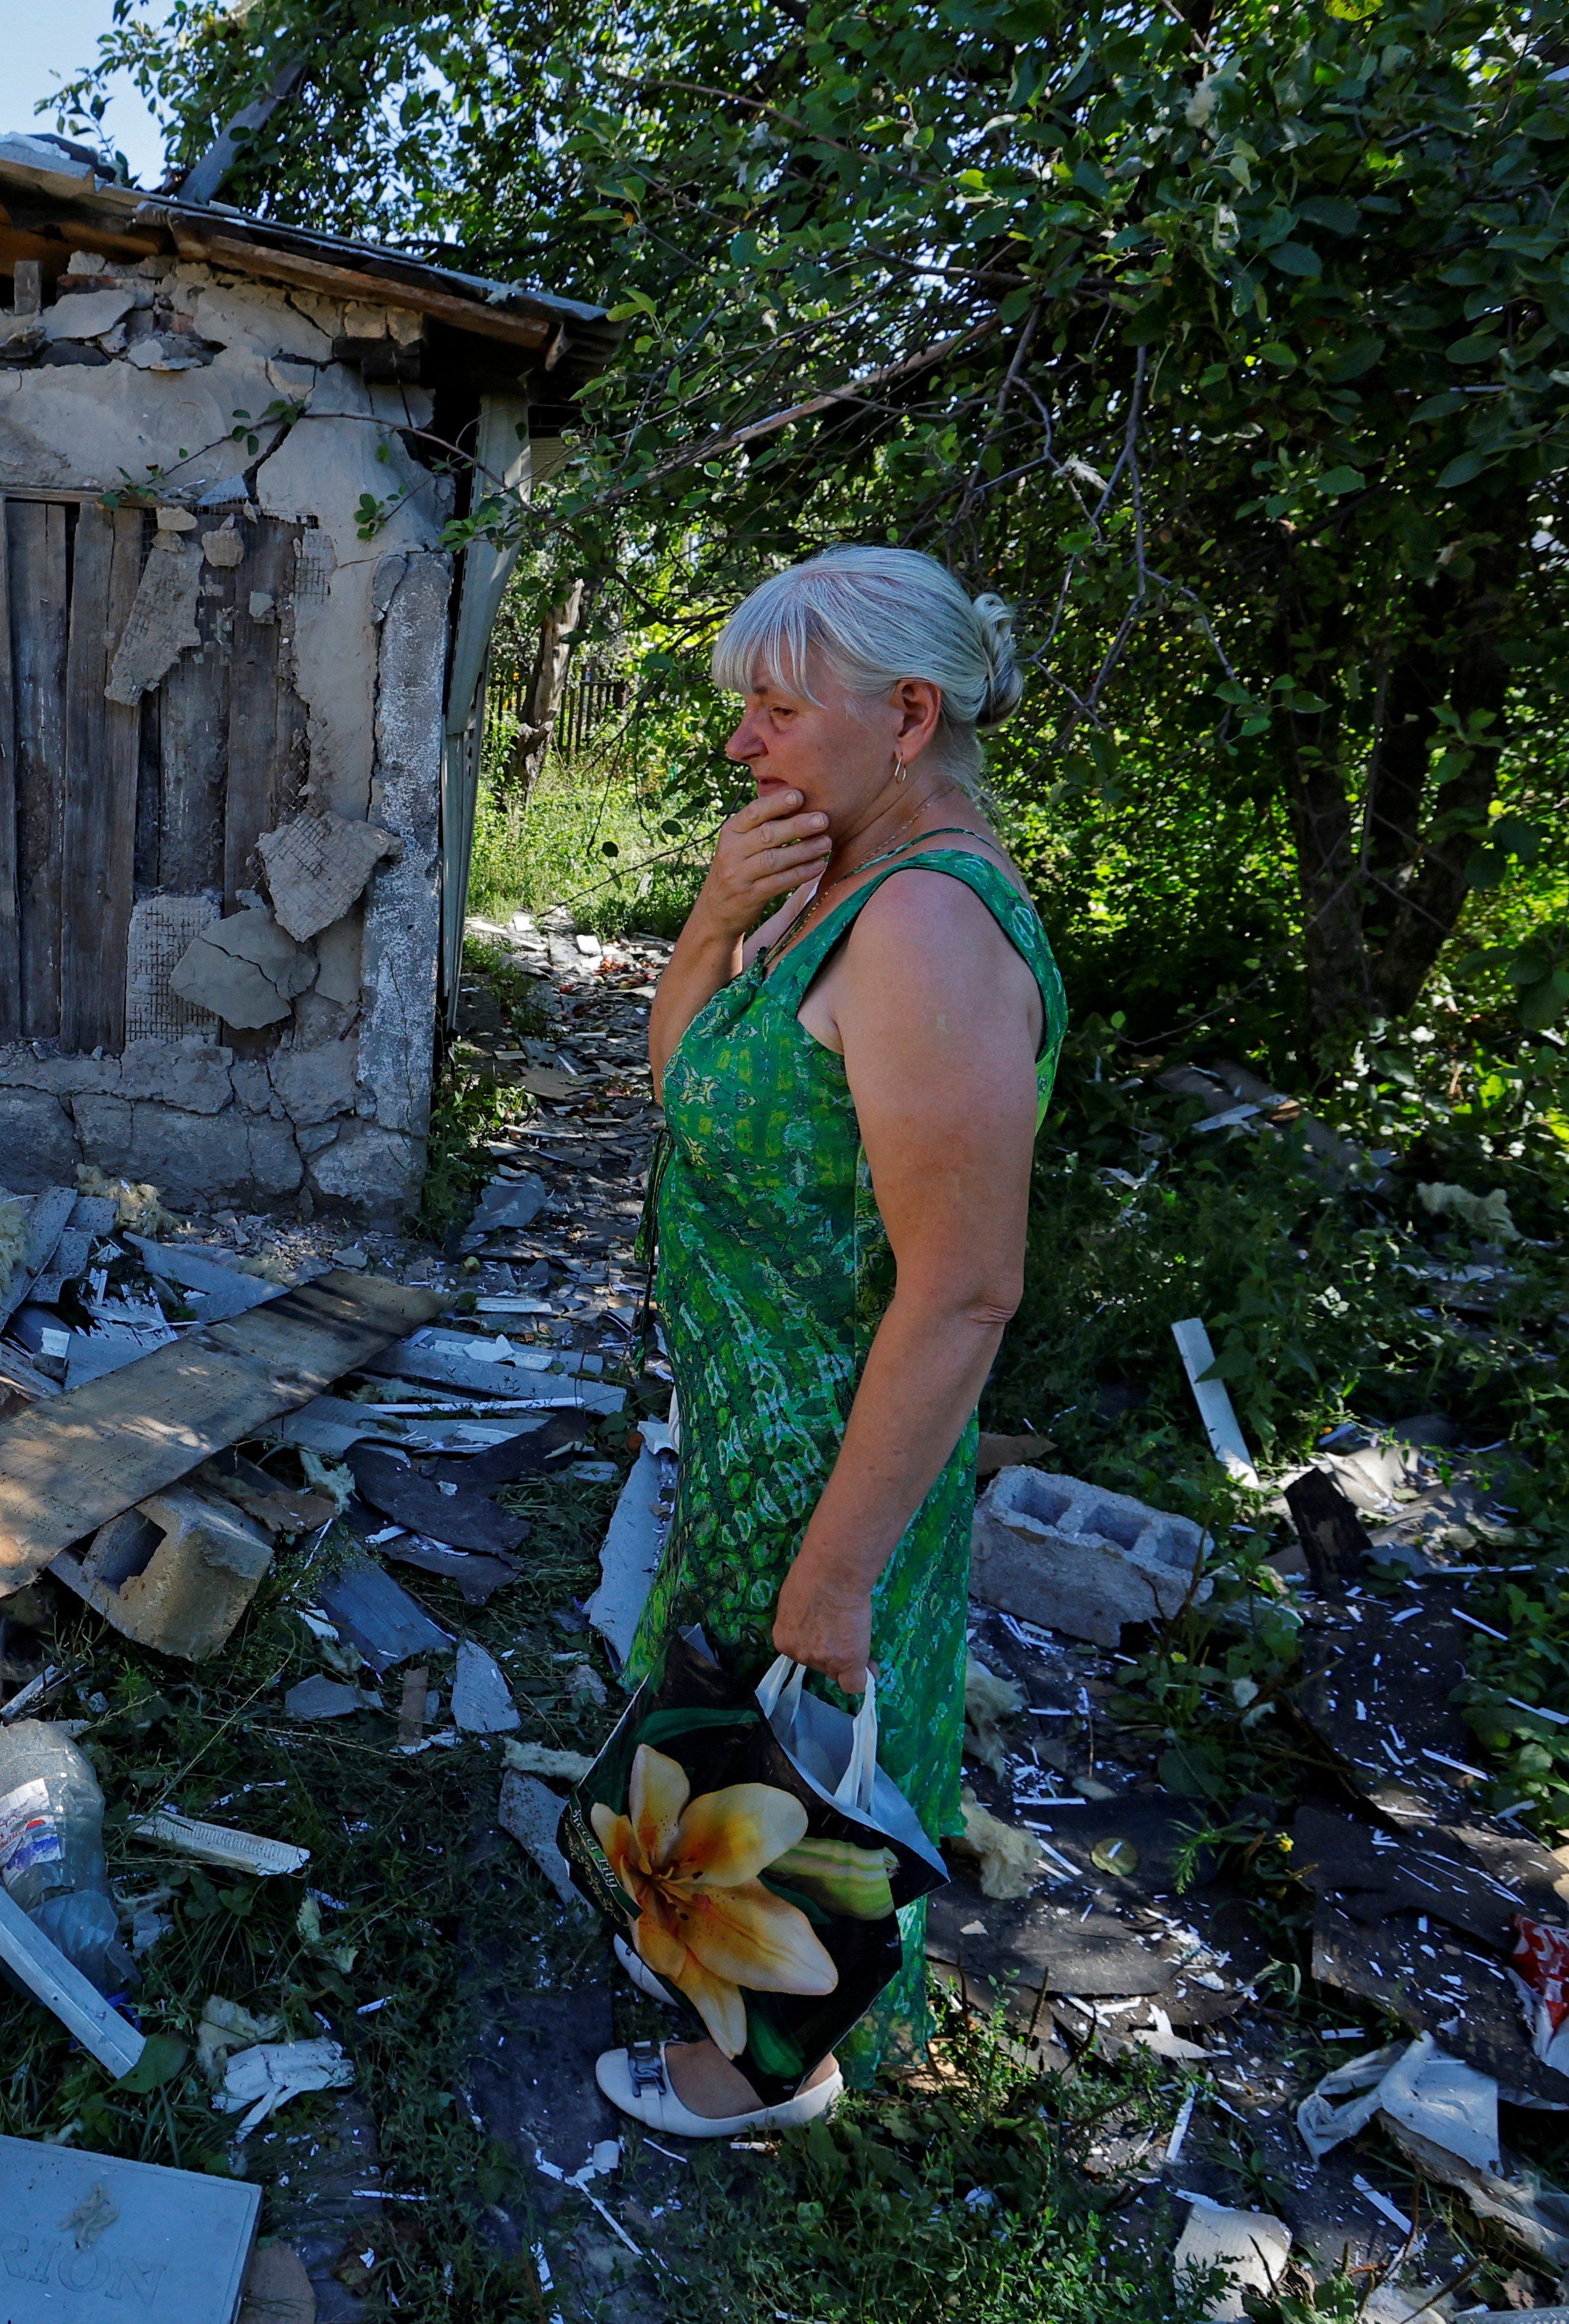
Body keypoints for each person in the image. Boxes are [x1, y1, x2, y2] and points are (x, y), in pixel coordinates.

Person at [594, 546, 1066, 2136]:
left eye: (779, 713)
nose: (744, 746)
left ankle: (758, 2073)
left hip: (830, 1454)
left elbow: (962, 1294)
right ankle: (746, 1997)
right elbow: (693, 1096)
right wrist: (718, 916)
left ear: (910, 714)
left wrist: (841, 1571)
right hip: (759, 1430)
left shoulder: (927, 931)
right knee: (747, 1739)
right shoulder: (832, 889)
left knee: (801, 1739)